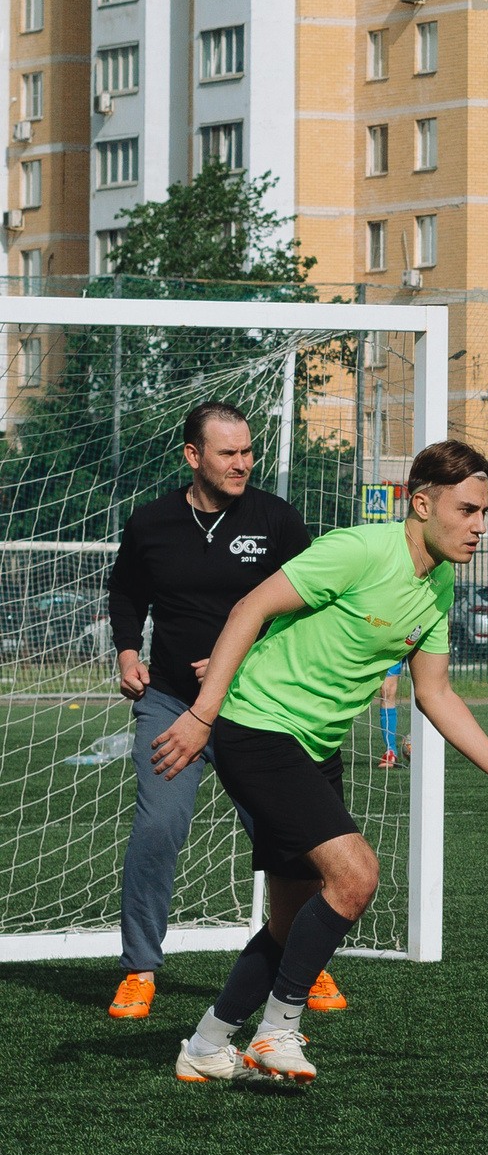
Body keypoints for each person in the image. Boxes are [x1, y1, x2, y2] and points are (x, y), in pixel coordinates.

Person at [152, 440, 488, 1084]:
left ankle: (207, 1042)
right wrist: (203, 714)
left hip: (316, 748)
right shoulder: (360, 550)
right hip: (256, 726)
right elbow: (248, 609)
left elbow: (436, 693)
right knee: (357, 877)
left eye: (487, 513)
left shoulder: (441, 581)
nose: (481, 527)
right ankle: (278, 1030)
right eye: (469, 510)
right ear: (421, 503)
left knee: (292, 919)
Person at [104, 402, 316, 1025]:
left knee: (286, 832)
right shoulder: (151, 523)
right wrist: (125, 651)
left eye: (248, 451)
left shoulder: (276, 520)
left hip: (254, 704)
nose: (242, 463)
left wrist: (243, 658)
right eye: (229, 453)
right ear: (194, 457)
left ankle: (305, 959)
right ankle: (140, 967)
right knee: (158, 829)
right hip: (170, 702)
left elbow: (306, 606)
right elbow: (126, 591)